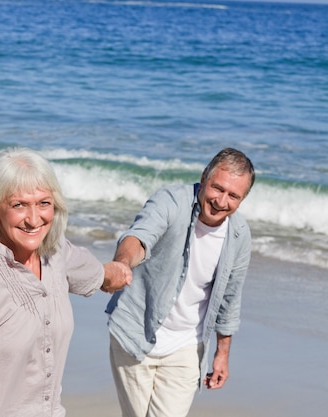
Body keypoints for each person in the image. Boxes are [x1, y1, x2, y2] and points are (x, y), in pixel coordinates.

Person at [0, 147, 129, 417]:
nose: (33, 219)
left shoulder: (54, 252)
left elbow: (99, 274)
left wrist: (122, 267)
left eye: (43, 203)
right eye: (19, 205)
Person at [105, 148, 255, 417]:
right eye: (217, 188)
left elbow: (231, 297)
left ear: (242, 199)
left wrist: (222, 354)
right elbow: (139, 237)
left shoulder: (239, 235)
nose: (221, 201)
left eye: (233, 195)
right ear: (203, 177)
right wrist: (122, 264)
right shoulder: (171, 202)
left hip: (187, 346)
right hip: (136, 332)